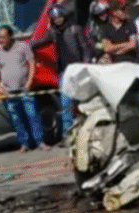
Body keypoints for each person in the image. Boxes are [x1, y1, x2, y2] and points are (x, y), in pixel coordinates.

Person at [32, 4, 91, 136]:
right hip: (64, 72)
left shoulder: (75, 29)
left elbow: (85, 49)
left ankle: (88, 129)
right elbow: (42, 41)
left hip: (78, 69)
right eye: (55, 18)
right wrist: (27, 46)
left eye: (59, 17)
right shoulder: (53, 32)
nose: (58, 20)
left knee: (84, 101)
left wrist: (85, 66)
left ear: (64, 16)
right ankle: (67, 134)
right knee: (65, 104)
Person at [0, 25, 46, 152]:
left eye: (3, 37)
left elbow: (31, 63)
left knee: (32, 115)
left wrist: (29, 81)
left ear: (11, 36)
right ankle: (24, 143)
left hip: (24, 89)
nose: (0, 39)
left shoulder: (22, 47)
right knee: (17, 119)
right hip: (9, 93)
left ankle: (40, 141)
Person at [100, 0, 139, 64]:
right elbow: (107, 48)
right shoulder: (106, 27)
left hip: (133, 62)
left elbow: (132, 45)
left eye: (126, 8)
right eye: (122, 9)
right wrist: (125, 44)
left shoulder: (130, 24)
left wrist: (115, 50)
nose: (125, 11)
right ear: (114, 12)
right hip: (116, 64)